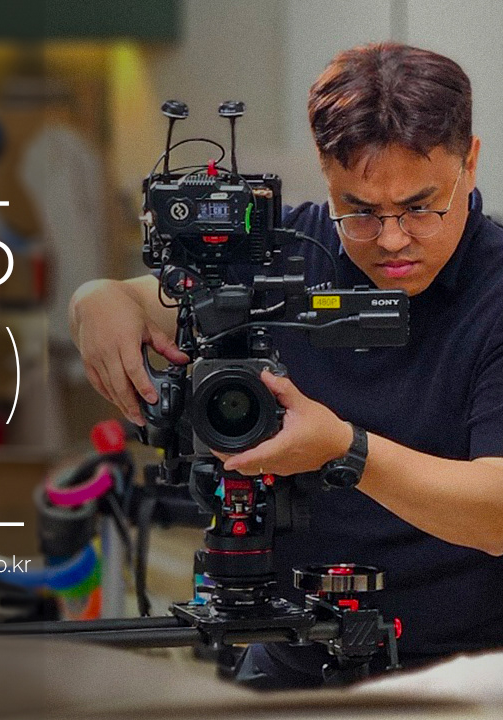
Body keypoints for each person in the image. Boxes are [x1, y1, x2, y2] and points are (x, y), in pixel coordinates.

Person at [69, 42, 503, 687]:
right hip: (290, 651)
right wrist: (96, 299)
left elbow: (497, 512)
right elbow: (139, 301)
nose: (391, 240)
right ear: (325, 172)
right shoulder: (280, 252)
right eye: (359, 210)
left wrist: (344, 451)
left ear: (470, 161)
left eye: (419, 207)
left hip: (466, 672)